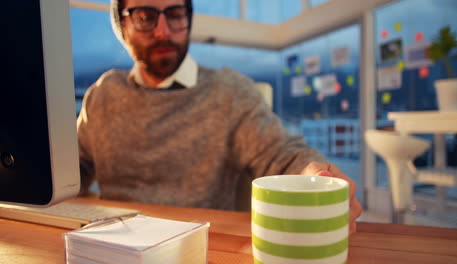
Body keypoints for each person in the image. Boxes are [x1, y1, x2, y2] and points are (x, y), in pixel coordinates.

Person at [77, 0, 362, 233]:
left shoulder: (230, 91)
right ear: (122, 26)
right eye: (144, 16)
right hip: (111, 244)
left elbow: (280, 154)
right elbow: (73, 170)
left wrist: (311, 176)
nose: (163, 31)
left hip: (206, 244)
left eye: (175, 15)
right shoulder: (101, 96)